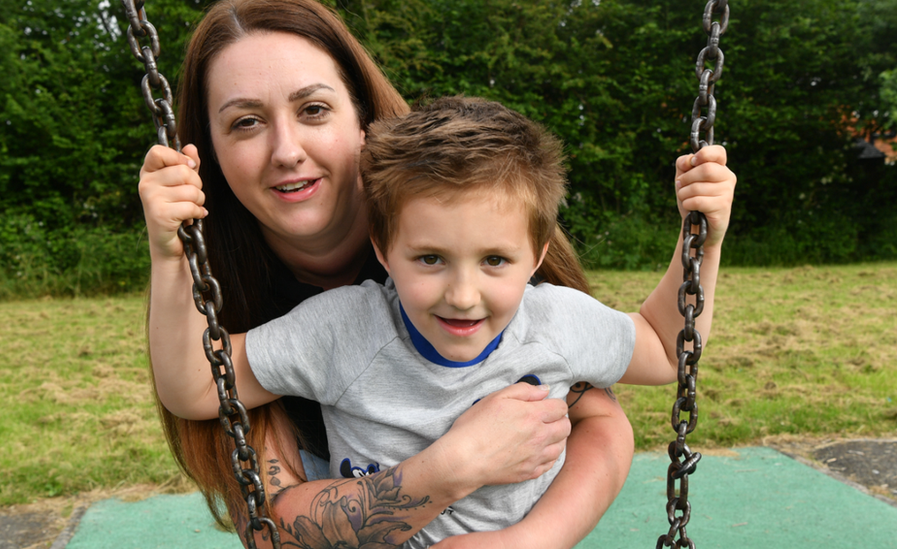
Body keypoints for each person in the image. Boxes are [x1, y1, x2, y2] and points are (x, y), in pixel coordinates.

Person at [138, 1, 733, 547]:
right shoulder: (333, 328)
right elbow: (202, 393)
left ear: (363, 120)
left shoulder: (484, 221)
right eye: (245, 122)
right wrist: (171, 257)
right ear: (206, 152)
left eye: (313, 108)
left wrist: (700, 241)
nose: (286, 149)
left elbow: (654, 355)